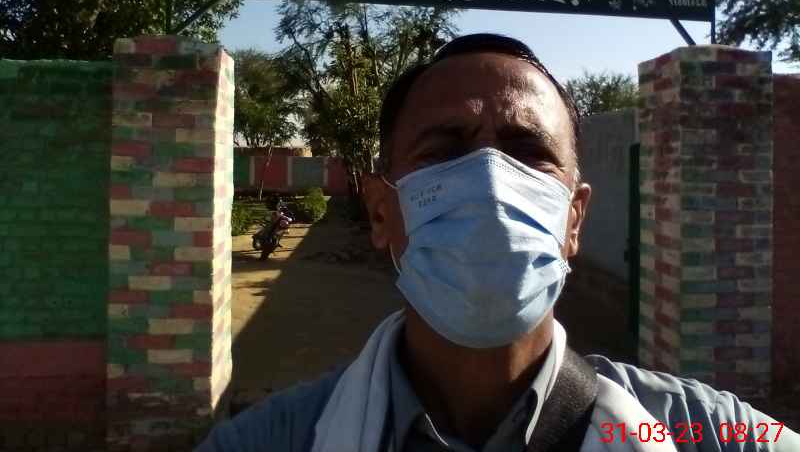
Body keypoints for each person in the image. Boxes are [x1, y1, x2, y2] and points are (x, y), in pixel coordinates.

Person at [197, 33, 798, 451]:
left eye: (528, 153)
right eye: (443, 150)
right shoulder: (270, 441)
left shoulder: (707, 431)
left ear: (574, 220)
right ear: (381, 212)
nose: (490, 182)